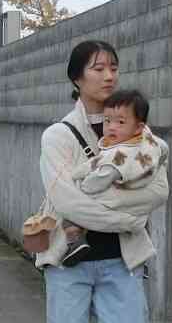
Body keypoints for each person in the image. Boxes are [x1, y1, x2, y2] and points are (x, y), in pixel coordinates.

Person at [37, 40, 170, 323]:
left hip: (122, 262)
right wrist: (122, 213)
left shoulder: (141, 133)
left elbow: (157, 192)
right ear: (77, 77)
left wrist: (110, 213)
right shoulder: (58, 136)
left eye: (113, 67)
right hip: (68, 262)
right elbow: (65, 201)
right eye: (98, 68)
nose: (109, 75)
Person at [64, 87, 165, 264]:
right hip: (131, 194)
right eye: (107, 120)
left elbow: (100, 178)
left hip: (117, 193)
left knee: (73, 214)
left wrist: (81, 185)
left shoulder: (121, 154)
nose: (111, 127)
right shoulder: (144, 143)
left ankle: (75, 239)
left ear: (138, 127)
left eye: (120, 122)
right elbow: (163, 149)